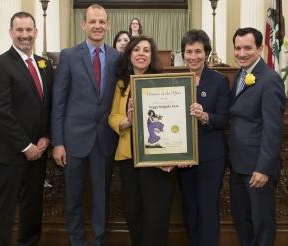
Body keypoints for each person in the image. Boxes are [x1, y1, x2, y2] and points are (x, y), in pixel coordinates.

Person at [51, 4, 120, 246]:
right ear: (84, 25)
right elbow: (58, 103)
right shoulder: (69, 55)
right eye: (93, 21)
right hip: (73, 141)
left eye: (102, 21)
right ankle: (77, 242)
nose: (98, 26)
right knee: (73, 199)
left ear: (108, 24)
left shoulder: (116, 57)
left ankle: (99, 242)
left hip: (104, 141)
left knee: (101, 200)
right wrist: (58, 143)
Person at [0, 11, 53, 246]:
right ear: (11, 33)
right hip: (12, 152)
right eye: (20, 30)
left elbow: (48, 105)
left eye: (29, 30)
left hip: (39, 152)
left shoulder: (44, 65)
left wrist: (46, 137)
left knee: (32, 207)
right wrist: (26, 146)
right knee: (5, 208)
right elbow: (0, 112)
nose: (25, 35)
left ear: (36, 32)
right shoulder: (0, 65)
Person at [108, 36, 174, 246]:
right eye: (136, 49)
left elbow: (172, 119)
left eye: (146, 50)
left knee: (156, 217)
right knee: (134, 212)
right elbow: (112, 117)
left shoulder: (163, 83)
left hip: (157, 159)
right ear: (129, 55)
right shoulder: (121, 85)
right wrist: (126, 121)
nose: (141, 54)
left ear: (152, 56)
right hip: (129, 158)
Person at [229, 27, 285, 246]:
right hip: (237, 165)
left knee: (262, 225)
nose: (242, 53)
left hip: (257, 168)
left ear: (260, 49)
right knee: (242, 222)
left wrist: (263, 168)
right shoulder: (240, 75)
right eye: (238, 48)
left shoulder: (270, 80)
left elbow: (273, 129)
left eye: (248, 48)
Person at [176, 29, 230, 246]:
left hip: (211, 156)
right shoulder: (176, 80)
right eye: (189, 52)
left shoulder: (219, 81)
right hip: (183, 157)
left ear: (206, 53)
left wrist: (206, 116)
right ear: (183, 54)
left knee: (208, 209)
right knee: (189, 209)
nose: (193, 56)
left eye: (198, 51)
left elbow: (224, 119)